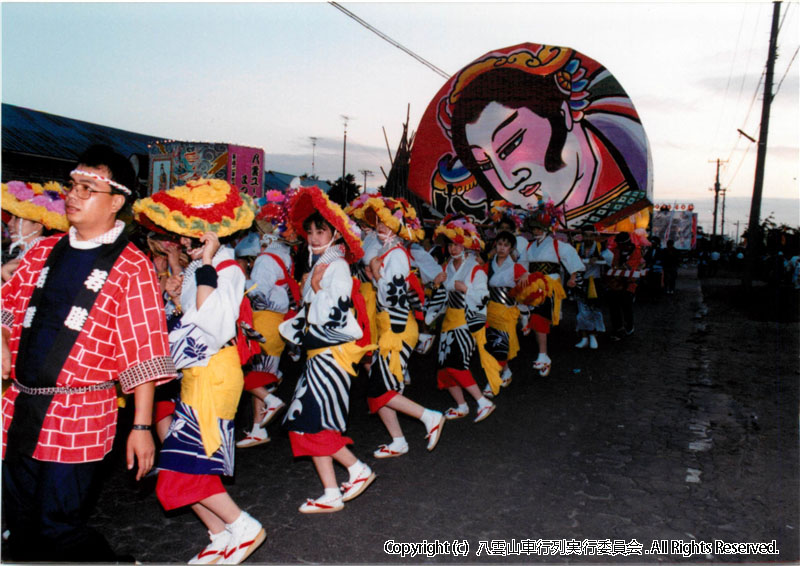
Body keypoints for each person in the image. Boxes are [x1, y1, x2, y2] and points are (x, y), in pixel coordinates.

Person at [1, 145, 177, 562]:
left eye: (87, 188)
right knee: (17, 522)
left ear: (116, 202)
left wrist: (140, 426)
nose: (73, 196)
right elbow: (5, 310)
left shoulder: (132, 266)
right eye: (72, 186)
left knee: (58, 526)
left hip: (78, 414)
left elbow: (144, 354)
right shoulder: (42, 252)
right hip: (19, 406)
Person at [133, 178, 265, 564]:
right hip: (196, 372)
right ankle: (220, 534)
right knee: (182, 466)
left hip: (214, 372)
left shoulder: (227, 268)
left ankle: (242, 526)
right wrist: (177, 297)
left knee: (185, 463)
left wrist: (205, 266)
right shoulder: (199, 270)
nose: (181, 244)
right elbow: (191, 318)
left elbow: (213, 324)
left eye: (188, 238)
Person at [439, 44, 650, 227]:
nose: (508, 181)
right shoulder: (519, 227)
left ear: (563, 113)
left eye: (512, 145)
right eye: (484, 165)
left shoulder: (625, 208)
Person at [278, 186, 376, 514]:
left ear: (335, 233)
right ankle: (331, 491)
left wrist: (317, 289)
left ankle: (357, 468)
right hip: (317, 355)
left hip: (330, 355)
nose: (315, 237)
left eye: (321, 231)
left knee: (312, 421)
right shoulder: (321, 265)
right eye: (311, 231)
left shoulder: (337, 268)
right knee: (307, 422)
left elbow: (330, 312)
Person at [354, 196, 446, 458]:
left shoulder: (396, 255)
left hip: (398, 328)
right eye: (379, 222)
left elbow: (391, 295)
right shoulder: (387, 252)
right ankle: (398, 440)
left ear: (398, 227)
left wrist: (376, 271)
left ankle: (429, 417)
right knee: (376, 389)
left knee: (381, 388)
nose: (382, 227)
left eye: (387, 223)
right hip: (389, 327)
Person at [235, 203, 300, 448]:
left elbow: (259, 295)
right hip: (278, 324)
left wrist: (240, 281)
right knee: (261, 377)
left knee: (251, 377)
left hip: (264, 321)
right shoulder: (284, 255)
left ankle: (269, 403)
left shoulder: (264, 260)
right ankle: (257, 429)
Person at [425, 216, 497, 422]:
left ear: (466, 246)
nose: (453, 249)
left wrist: (466, 289)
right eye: (450, 245)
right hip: (449, 321)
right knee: (444, 368)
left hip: (466, 321)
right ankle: (462, 405)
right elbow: (441, 297)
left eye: (457, 245)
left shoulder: (475, 268)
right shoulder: (448, 267)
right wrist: (436, 285)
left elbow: (484, 297)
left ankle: (483, 401)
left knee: (457, 363)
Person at [523, 200, 584, 375]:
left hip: (549, 287)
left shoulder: (559, 246)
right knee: (535, 317)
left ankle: (543, 354)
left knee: (539, 317)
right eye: (533, 228)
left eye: (539, 228)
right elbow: (522, 267)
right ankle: (543, 354)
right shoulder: (528, 247)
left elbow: (573, 262)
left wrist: (573, 278)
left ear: (548, 228)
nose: (536, 231)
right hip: (532, 286)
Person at [483, 229, 528, 397]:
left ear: (511, 249)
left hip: (507, 311)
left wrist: (526, 276)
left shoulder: (517, 267)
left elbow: (527, 286)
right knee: (494, 344)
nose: (502, 248)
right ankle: (506, 371)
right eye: (500, 244)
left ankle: (493, 379)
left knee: (501, 343)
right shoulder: (488, 265)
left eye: (506, 245)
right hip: (490, 310)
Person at [1, 180, 69, 282]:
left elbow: (28, 294)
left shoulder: (43, 254)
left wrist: (5, 274)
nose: (10, 224)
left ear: (38, 226)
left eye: (17, 219)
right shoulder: (29, 252)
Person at [573, 231, 612, 349]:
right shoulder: (578, 246)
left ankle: (593, 336)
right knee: (581, 310)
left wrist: (599, 258)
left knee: (594, 309)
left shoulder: (601, 247)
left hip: (595, 282)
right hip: (580, 281)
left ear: (595, 236)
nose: (588, 238)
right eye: (586, 235)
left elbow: (609, 259)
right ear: (583, 236)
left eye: (591, 235)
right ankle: (584, 337)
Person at [605, 231, 646, 340]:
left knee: (626, 306)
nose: (618, 246)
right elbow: (613, 263)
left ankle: (629, 326)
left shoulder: (636, 251)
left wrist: (618, 269)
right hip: (616, 283)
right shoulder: (616, 251)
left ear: (626, 243)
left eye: (619, 244)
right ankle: (617, 329)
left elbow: (629, 266)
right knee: (614, 307)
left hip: (629, 284)